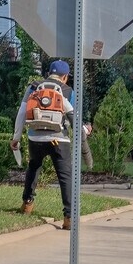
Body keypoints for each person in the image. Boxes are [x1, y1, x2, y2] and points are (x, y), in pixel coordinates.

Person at [12, 60, 90, 229]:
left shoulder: (34, 87)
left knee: (34, 167)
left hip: (35, 138)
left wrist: (16, 137)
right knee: (65, 176)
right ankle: (69, 217)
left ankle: (27, 204)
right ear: (65, 77)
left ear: (48, 73)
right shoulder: (69, 91)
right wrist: (84, 131)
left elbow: (22, 113)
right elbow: (73, 119)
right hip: (59, 139)